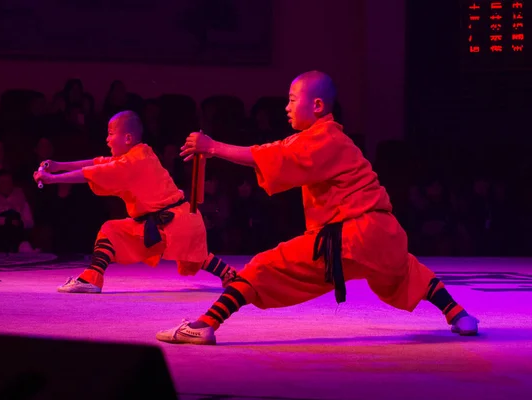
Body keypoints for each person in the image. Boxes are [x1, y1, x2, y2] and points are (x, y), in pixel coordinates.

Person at [156, 71, 479, 345]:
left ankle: (205, 325)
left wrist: (213, 147)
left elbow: (274, 154)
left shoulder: (322, 137)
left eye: (293, 100)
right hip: (385, 236)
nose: (286, 107)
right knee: (407, 271)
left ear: (318, 105)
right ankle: (459, 315)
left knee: (263, 267)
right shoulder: (335, 139)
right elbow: (279, 154)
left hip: (351, 236)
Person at [33, 110, 237, 293]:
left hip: (178, 221)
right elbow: (97, 162)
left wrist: (53, 179)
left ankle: (230, 274)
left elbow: (92, 172)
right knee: (111, 230)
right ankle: (92, 279)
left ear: (128, 137)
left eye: (111, 133)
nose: (107, 139)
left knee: (195, 256)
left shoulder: (134, 161)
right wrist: (58, 166)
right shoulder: (135, 154)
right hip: (164, 222)